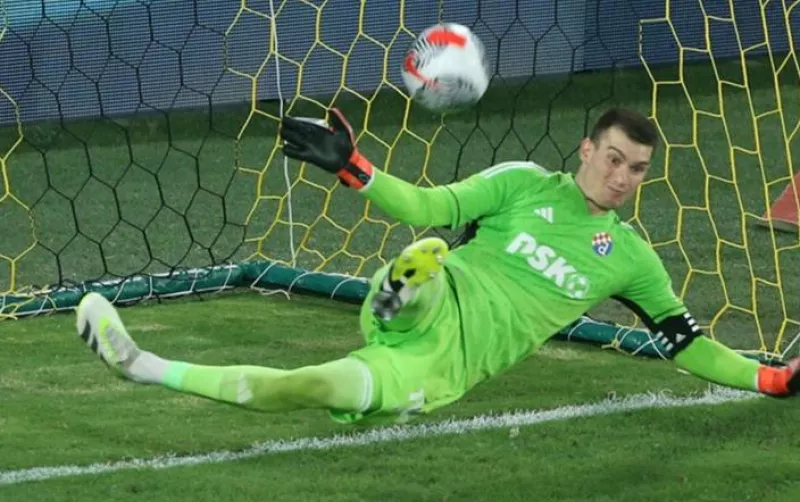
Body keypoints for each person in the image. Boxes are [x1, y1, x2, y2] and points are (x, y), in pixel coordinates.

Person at [76, 107, 799, 425]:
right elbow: (426, 202)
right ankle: (400, 289)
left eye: (636, 169)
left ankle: (142, 364)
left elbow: (684, 341)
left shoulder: (631, 259)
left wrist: (768, 378)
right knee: (431, 261)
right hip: (444, 293)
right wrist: (353, 166)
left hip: (444, 364)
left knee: (312, 386)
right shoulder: (522, 183)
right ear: (587, 149)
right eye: (613, 159)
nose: (622, 177)